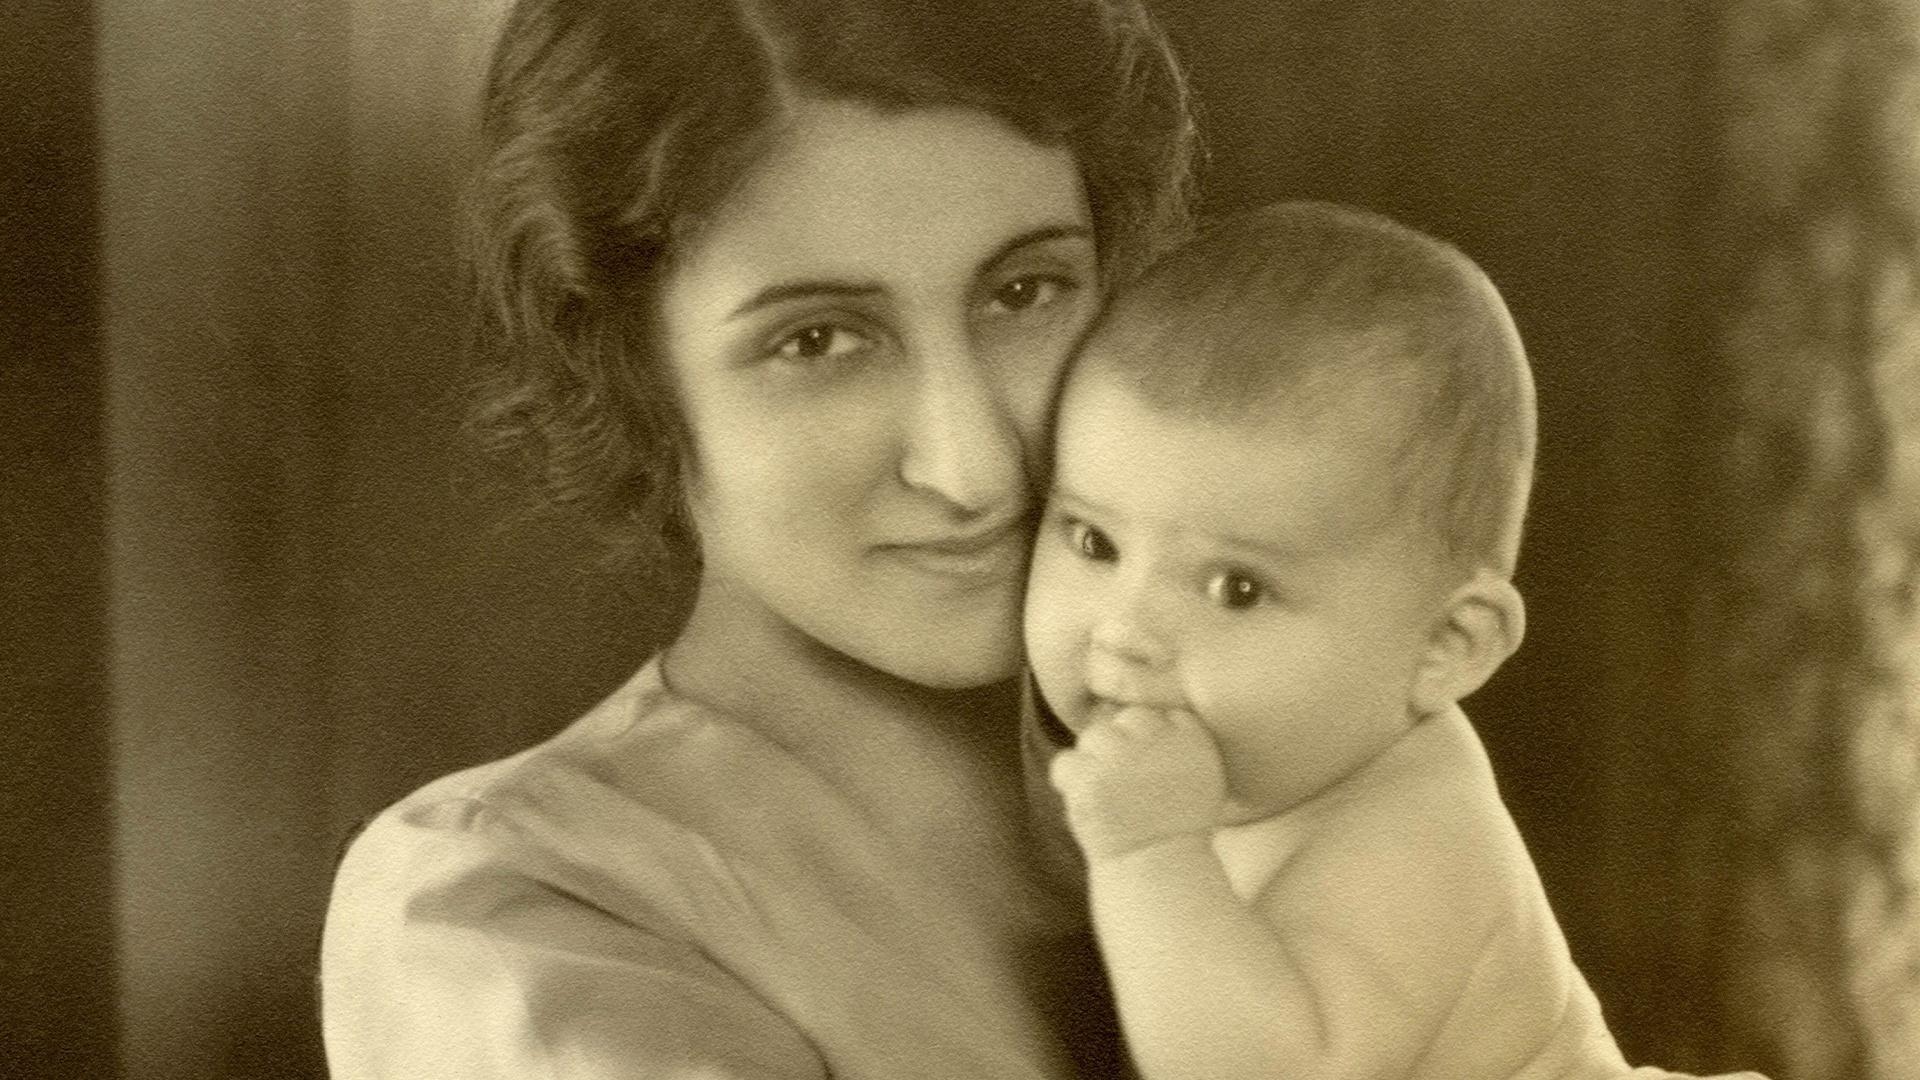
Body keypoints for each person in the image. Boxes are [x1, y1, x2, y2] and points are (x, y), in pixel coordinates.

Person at [319, 0, 1192, 1077]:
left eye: (1025, 292)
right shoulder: (516, 903)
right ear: (635, 376)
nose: (974, 465)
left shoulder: (1277, 749)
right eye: (817, 341)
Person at [1023, 202, 1770, 1080]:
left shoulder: (1415, 834)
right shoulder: (1271, 765)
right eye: (1093, 542)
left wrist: (1150, 854)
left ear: (1448, 644)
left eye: (1237, 590)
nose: (1126, 632)